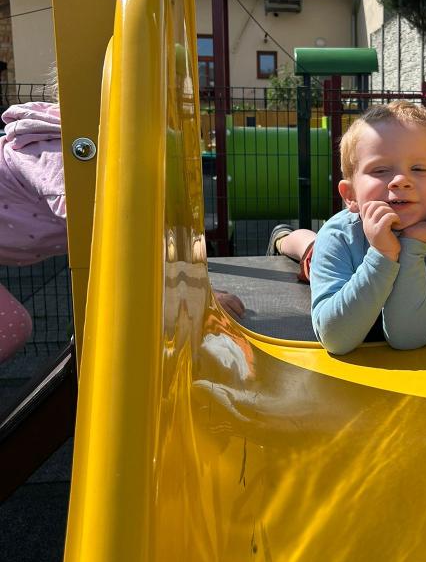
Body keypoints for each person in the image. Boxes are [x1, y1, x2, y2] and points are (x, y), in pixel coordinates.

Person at [0, 98, 244, 365]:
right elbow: (108, 232)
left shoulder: (100, 143)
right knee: (12, 326)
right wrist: (187, 292)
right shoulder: (62, 153)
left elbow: (140, 224)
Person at [269, 101, 426, 354]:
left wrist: (412, 246)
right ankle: (281, 237)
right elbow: (335, 338)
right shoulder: (338, 237)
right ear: (350, 195)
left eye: (419, 169)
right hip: (333, 257)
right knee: (307, 246)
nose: (401, 180)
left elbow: (408, 337)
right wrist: (382, 254)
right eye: (381, 170)